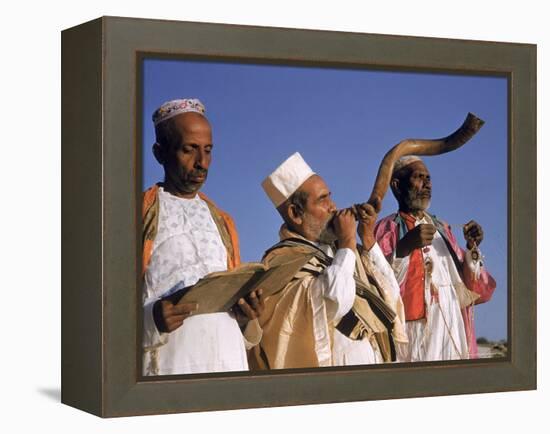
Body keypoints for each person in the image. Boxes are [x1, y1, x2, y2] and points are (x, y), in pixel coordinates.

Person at [251, 153, 408, 370]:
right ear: (296, 214)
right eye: (322, 200)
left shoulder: (342, 253)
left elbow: (391, 294)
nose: (333, 207)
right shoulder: (282, 263)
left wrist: (368, 238)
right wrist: (347, 243)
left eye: (330, 197)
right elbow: (335, 300)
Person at [142, 98, 263, 375]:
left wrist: (246, 316)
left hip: (228, 361)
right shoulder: (137, 215)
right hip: (172, 366)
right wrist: (151, 319)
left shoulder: (222, 221)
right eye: (189, 150)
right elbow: (106, 305)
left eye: (208, 151)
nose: (202, 163)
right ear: (160, 153)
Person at [374, 156, 496, 361]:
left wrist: (471, 248)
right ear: (397, 185)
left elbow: (469, 286)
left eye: (428, 178)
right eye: (418, 177)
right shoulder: (386, 229)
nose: (427, 183)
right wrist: (404, 247)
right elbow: (378, 284)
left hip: (452, 322)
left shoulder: (443, 229)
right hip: (414, 329)